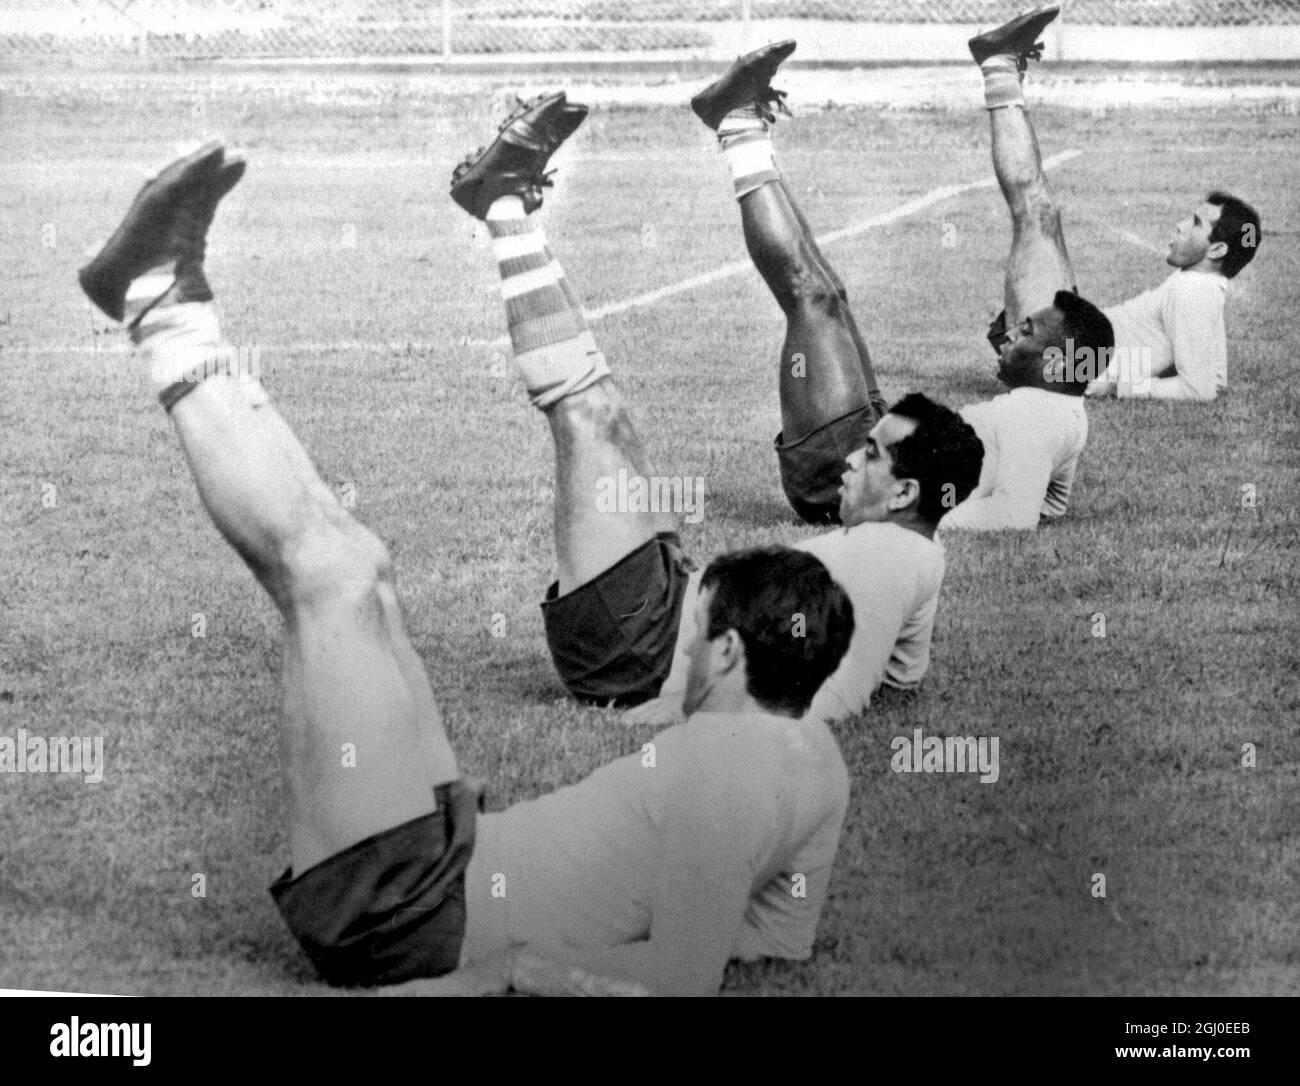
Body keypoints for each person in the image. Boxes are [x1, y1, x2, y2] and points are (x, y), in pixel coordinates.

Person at [78, 139, 858, 996]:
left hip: (417, 914)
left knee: (331, 578)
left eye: (696, 626)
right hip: (461, 846)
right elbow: (777, 941)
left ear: (735, 654)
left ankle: (158, 307)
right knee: (365, 571)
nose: (682, 645)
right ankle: (167, 301)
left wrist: (510, 974)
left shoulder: (726, 781)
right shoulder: (815, 763)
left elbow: (683, 977)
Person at [447, 93, 983, 726]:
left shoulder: (889, 558)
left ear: (903, 495)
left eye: (870, 454)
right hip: (669, 601)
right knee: (608, 415)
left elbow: (830, 701)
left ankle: (504, 203)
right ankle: (509, 207)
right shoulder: (920, 553)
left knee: (589, 411)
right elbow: (897, 671)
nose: (850, 461)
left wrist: (679, 711)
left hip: (637, 650)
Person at [971, 5, 1260, 405]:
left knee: (1035, 212)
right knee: (1042, 214)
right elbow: (1214, 376)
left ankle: (999, 68)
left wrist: (1114, 384)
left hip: (1065, 360)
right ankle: (1007, 72)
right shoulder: (1206, 287)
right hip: (1069, 349)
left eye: (1195, 222)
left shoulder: (1195, 290)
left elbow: (1201, 388)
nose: (1179, 225)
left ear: (1217, 248)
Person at [938, 5, 1117, 531]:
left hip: (862, 474)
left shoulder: (1045, 411)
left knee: (819, 301)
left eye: (1025, 328)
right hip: (881, 466)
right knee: (1040, 215)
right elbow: (1047, 505)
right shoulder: (1064, 415)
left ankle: (999, 68)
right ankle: (1000, 68)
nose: (1012, 330)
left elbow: (1020, 513)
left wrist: (918, 519)